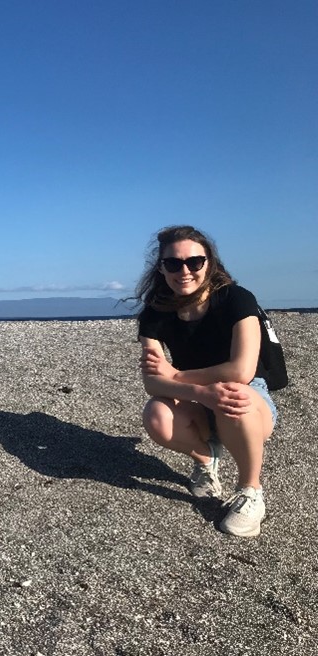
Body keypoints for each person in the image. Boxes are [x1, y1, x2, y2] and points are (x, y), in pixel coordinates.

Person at [133, 225, 278, 537]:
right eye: (173, 263)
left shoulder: (236, 300)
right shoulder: (154, 314)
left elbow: (242, 370)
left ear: (209, 263)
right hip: (197, 400)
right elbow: (153, 384)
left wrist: (177, 376)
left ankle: (251, 491)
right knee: (156, 414)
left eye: (194, 262)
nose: (183, 271)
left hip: (251, 401)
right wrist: (199, 391)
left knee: (233, 394)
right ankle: (205, 458)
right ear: (161, 267)